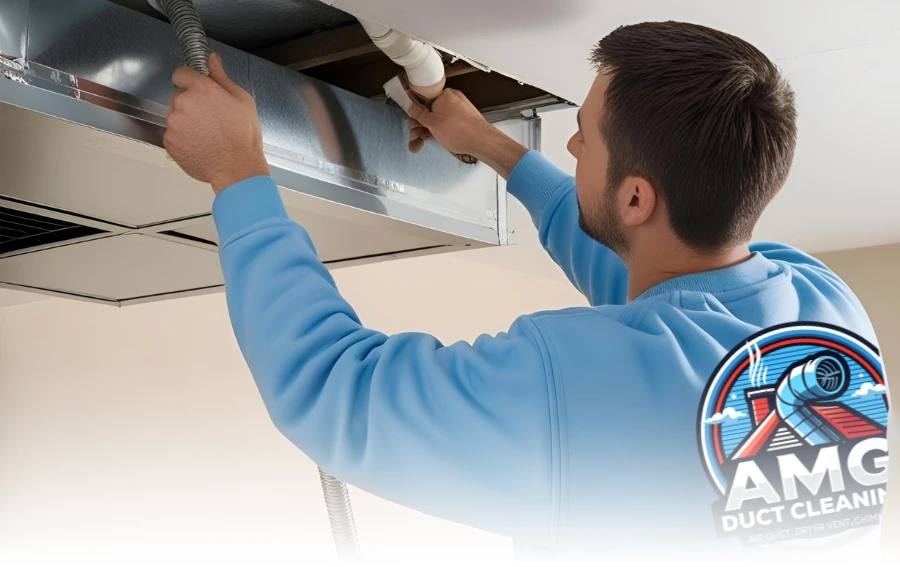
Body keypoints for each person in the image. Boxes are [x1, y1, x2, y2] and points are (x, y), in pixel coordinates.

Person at [163, 21, 889, 562]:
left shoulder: (566, 389)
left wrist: (239, 172)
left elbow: (329, 387)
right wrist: (494, 147)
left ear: (636, 197)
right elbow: (647, 283)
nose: (571, 146)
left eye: (584, 134)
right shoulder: (825, 308)